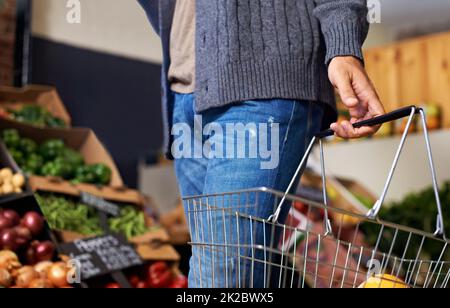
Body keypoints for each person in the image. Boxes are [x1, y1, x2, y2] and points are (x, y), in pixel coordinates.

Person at [138, 0, 385, 288]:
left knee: (220, 278)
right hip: (183, 92)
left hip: (264, 77)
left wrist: (343, 44)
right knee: (224, 272)